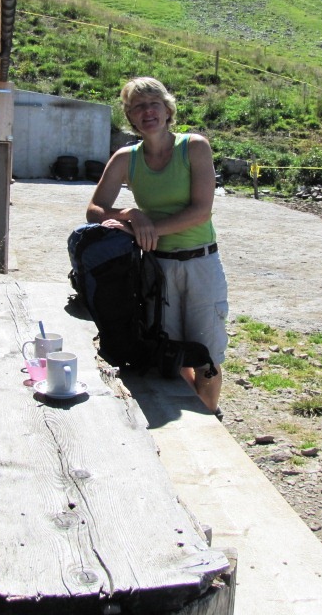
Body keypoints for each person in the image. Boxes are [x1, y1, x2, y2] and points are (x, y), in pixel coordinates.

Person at [86, 77, 228, 415]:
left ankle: (209, 417)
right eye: (138, 107)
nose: (147, 111)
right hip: (157, 268)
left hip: (200, 264)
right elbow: (94, 210)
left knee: (206, 357)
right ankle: (192, 425)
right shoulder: (126, 158)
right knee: (171, 353)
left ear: (167, 111)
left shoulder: (194, 147)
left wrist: (147, 229)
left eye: (153, 104)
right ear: (131, 118)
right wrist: (131, 213)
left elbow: (200, 211)